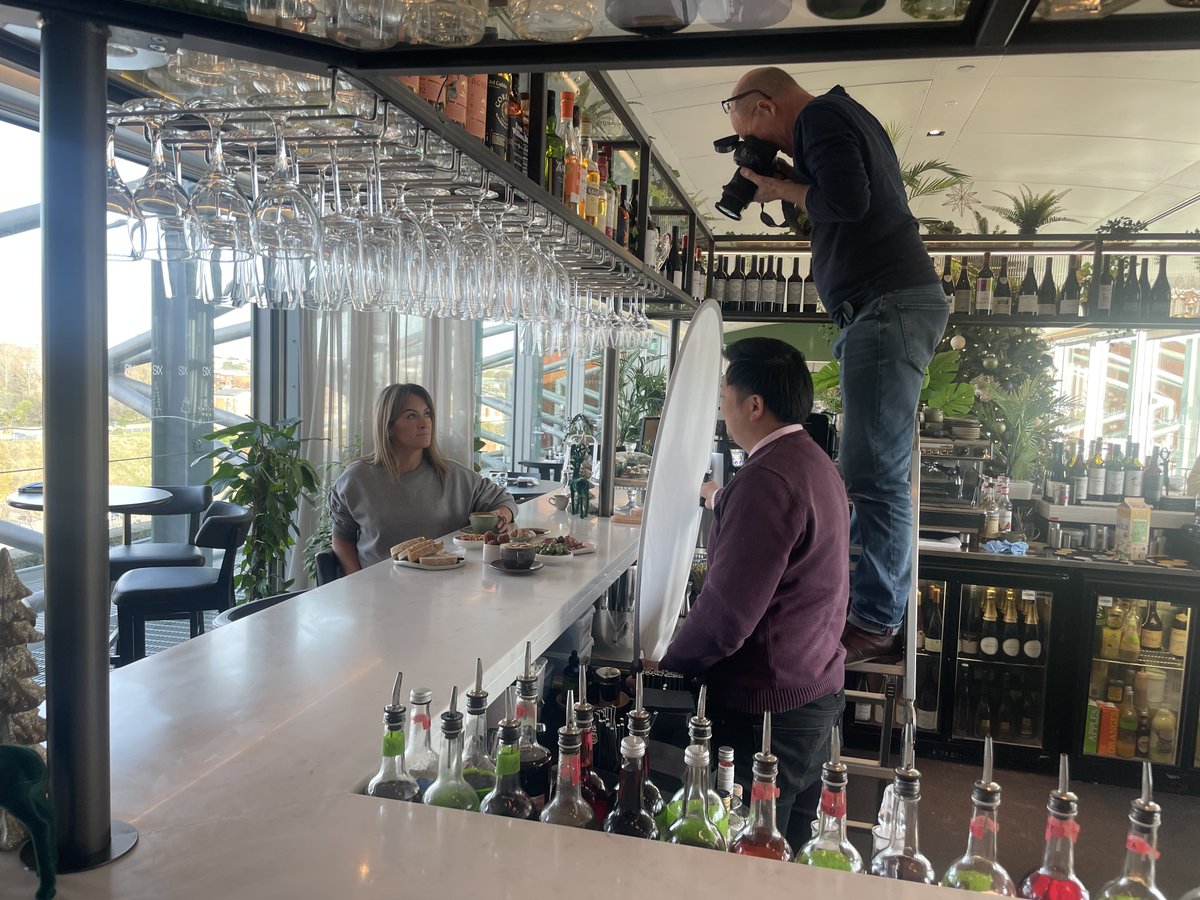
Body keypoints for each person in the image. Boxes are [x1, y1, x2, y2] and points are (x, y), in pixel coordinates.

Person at [724, 67, 949, 662]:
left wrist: (783, 190)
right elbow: (846, 204)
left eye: (739, 119)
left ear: (764, 107)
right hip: (883, 307)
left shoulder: (821, 117)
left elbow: (848, 202)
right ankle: (862, 601)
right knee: (869, 467)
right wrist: (795, 184)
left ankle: (876, 618)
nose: (748, 138)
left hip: (885, 304)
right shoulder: (841, 117)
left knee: (873, 472)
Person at [654, 337, 848, 847]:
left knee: (747, 855)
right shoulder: (810, 460)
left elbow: (726, 615)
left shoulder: (765, 480)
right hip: (813, 687)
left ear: (754, 405)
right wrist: (720, 499)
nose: (723, 411)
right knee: (793, 853)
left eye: (724, 398)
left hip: (769, 708)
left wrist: (672, 667)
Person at [329, 383, 517, 573]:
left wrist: (501, 515)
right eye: (411, 416)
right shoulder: (356, 480)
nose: (424, 422)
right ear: (388, 427)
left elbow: (505, 501)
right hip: (379, 590)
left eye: (427, 414)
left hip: (448, 587)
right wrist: (355, 579)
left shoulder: (455, 476)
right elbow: (342, 538)